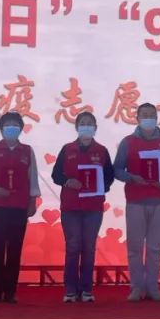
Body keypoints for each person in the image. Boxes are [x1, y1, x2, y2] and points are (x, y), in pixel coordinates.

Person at [114, 102, 160, 302]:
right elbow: (116, 169)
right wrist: (131, 177)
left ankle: (152, 287)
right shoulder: (128, 142)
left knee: (154, 248)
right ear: (137, 118)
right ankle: (136, 287)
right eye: (144, 115)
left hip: (159, 201)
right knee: (135, 248)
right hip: (135, 201)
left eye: (152, 115)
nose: (148, 118)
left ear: (157, 118)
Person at [52, 111, 114, 303]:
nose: (86, 126)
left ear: (95, 128)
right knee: (72, 246)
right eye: (83, 123)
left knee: (89, 247)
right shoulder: (67, 149)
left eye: (90, 123)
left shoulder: (102, 151)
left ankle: (86, 289)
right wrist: (67, 181)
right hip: (71, 206)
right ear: (77, 127)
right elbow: (56, 175)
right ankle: (70, 290)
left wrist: (100, 186)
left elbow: (109, 176)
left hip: (93, 207)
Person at [0, 112, 39, 303]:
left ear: (20, 129)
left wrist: (32, 201)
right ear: (1, 128)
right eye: (8, 125)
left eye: (15, 125)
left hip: (19, 206)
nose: (11, 128)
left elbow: (33, 178)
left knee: (14, 249)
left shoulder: (27, 151)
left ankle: (10, 292)